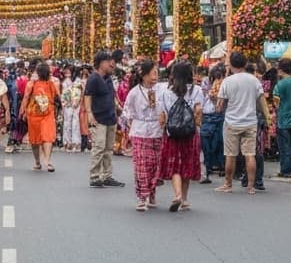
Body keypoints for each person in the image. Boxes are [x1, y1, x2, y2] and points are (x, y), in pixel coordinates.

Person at [215, 52, 265, 194]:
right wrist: (267, 118)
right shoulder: (254, 80)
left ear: (231, 65)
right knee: (250, 154)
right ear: (245, 63)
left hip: (232, 121)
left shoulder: (227, 81)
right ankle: (251, 186)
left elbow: (219, 106)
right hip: (250, 121)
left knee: (230, 155)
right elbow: (261, 101)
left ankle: (228, 184)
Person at [157, 61, 204, 212]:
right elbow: (198, 113)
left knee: (175, 164)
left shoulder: (166, 93)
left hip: (172, 134)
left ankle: (177, 195)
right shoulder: (197, 91)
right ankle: (184, 199)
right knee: (187, 163)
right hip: (190, 134)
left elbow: (162, 116)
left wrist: (164, 129)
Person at [123, 60, 164, 211]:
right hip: (140, 130)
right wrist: (129, 125)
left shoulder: (162, 90)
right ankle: (142, 196)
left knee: (155, 164)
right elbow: (127, 112)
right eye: (153, 73)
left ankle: (152, 192)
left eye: (157, 73)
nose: (155, 76)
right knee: (141, 164)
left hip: (158, 129)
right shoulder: (134, 92)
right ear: (144, 75)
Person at [85, 51, 125, 188]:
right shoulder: (93, 79)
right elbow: (87, 96)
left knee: (108, 148)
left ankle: (107, 175)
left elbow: (111, 96)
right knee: (99, 147)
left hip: (111, 117)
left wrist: (118, 108)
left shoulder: (108, 79)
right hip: (99, 118)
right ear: (101, 63)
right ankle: (95, 176)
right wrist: (89, 113)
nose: (111, 64)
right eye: (108, 62)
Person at [23, 62, 60, 172]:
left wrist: (22, 112)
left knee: (35, 139)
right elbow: (57, 97)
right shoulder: (52, 84)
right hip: (47, 112)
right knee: (47, 137)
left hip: (34, 114)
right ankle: (47, 161)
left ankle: (38, 162)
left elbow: (25, 98)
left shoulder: (31, 84)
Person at [200, 65, 225, 182]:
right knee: (215, 141)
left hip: (212, 115)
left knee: (214, 141)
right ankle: (214, 165)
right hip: (213, 114)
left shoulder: (223, 83)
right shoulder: (208, 83)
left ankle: (214, 166)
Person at [61, 71, 83, 153]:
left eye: (69, 72)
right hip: (67, 103)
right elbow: (63, 93)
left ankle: (76, 142)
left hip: (75, 103)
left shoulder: (78, 81)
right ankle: (67, 142)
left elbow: (80, 92)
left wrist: (77, 102)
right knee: (67, 122)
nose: (67, 74)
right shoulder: (65, 81)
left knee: (75, 123)